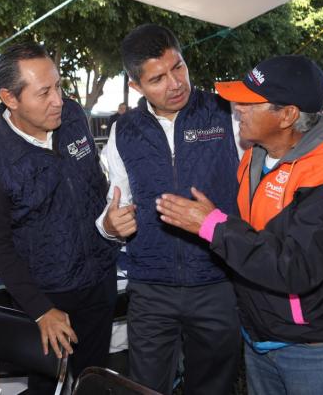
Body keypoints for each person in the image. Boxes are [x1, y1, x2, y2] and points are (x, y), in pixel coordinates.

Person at [156, 55, 323, 394]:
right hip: (263, 338)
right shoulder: (255, 154)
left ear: (287, 115)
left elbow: (295, 266)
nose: (237, 109)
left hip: (320, 349)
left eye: (249, 103)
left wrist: (213, 226)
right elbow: (260, 236)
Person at [98, 24, 240, 395]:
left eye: (179, 68)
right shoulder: (123, 130)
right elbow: (114, 204)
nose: (175, 83)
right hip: (150, 287)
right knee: (145, 388)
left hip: (217, 281)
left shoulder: (226, 114)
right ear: (136, 86)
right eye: (158, 78)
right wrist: (110, 226)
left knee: (213, 388)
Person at [0, 42, 119, 393]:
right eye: (44, 93)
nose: (59, 100)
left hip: (99, 280)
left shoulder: (72, 117)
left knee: (94, 380)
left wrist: (111, 225)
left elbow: (94, 186)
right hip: (46, 297)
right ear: (10, 98)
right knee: (44, 385)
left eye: (59, 86)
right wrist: (40, 311)